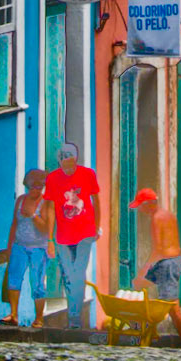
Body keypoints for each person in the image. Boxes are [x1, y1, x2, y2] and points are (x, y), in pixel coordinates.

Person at [41, 141, 101, 331]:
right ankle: (74, 315)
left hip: (85, 233)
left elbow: (96, 201)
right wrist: (50, 239)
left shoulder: (88, 174)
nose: (68, 168)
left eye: (71, 164)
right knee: (68, 275)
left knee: (78, 273)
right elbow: (50, 209)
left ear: (76, 160)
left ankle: (74, 318)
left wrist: (97, 227)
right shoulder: (52, 179)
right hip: (63, 236)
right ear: (60, 162)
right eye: (64, 165)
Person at [128, 188, 181, 347]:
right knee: (141, 287)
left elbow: (158, 250)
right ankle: (147, 334)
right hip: (176, 260)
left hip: (167, 264)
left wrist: (144, 271)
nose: (140, 210)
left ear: (148, 204)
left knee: (173, 308)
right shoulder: (168, 215)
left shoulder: (156, 219)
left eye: (140, 206)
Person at [0, 168, 55, 328]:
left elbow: (46, 229)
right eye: (32, 186)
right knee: (14, 278)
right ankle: (13, 314)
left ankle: (39, 318)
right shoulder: (20, 200)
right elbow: (14, 224)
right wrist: (10, 247)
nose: (35, 190)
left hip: (39, 248)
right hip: (19, 245)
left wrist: (33, 216)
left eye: (39, 186)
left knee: (37, 283)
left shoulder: (46, 203)